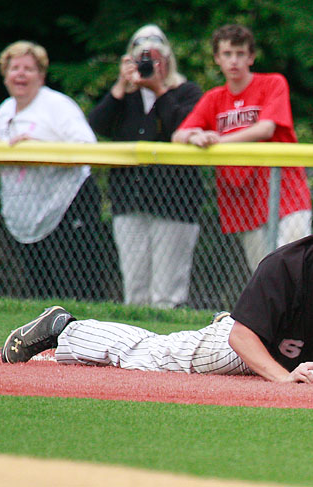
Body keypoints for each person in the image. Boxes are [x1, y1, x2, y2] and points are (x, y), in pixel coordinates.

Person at [0, 181, 313, 383]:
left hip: (282, 357)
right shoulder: (286, 265)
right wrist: (284, 379)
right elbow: (243, 337)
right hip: (238, 345)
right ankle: (66, 328)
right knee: (147, 358)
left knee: (152, 354)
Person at [172, 24, 311, 273]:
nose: (233, 60)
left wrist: (217, 141)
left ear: (251, 57)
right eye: (227, 54)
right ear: (217, 58)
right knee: (263, 272)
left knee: (294, 263)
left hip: (285, 190)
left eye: (239, 53)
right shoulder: (214, 98)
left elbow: (265, 129)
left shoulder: (273, 83)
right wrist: (195, 136)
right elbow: (178, 135)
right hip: (243, 196)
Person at [0, 41, 106, 300]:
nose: (20, 74)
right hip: (30, 211)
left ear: (41, 75)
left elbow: (87, 145)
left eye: (29, 69)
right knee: (40, 290)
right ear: (5, 75)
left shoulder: (58, 106)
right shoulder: (4, 112)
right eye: (14, 68)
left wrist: (42, 148)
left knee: (75, 287)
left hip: (70, 202)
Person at [88, 24, 204, 309]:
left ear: (167, 60)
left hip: (175, 205)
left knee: (167, 293)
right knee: (135, 289)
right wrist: (120, 86)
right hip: (129, 201)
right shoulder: (124, 97)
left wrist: (159, 90)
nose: (148, 64)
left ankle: (167, 347)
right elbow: (94, 127)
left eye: (154, 57)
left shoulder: (187, 91)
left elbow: (183, 126)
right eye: (142, 58)